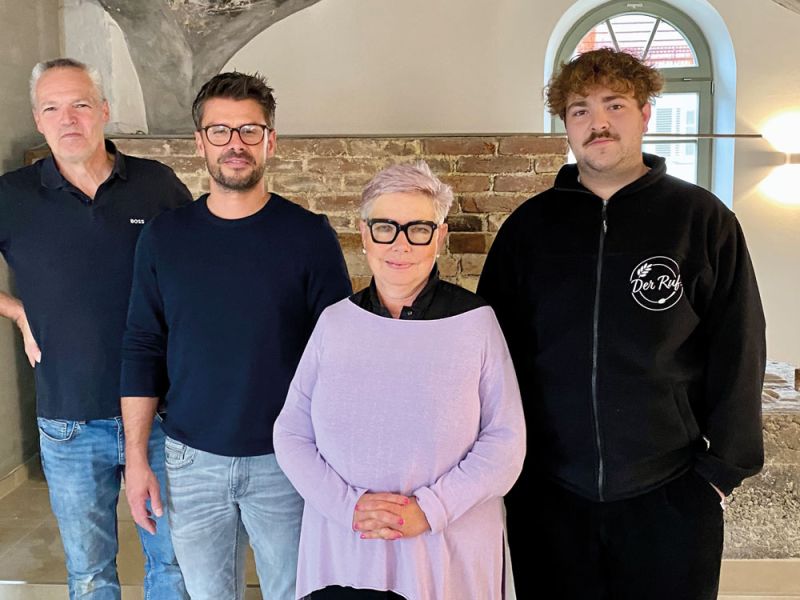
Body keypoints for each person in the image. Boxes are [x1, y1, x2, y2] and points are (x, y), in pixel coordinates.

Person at [478, 48, 766, 600]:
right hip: (549, 493)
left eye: (614, 105)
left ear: (645, 114)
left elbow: (740, 347)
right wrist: (505, 469)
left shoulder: (702, 221)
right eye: (580, 110)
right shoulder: (528, 230)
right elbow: (489, 358)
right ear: (566, 125)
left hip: (672, 492)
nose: (598, 122)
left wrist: (720, 473)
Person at [120, 71, 352, 600]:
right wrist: (137, 459)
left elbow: (339, 355)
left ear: (271, 140)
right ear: (200, 142)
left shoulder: (308, 236)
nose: (236, 144)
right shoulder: (164, 237)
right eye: (220, 131)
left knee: (296, 593)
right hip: (190, 460)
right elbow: (141, 346)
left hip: (287, 461)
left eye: (250, 130)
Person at [273, 161, 526, 600]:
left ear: (440, 237)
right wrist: (349, 506)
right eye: (385, 227)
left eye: (418, 229)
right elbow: (291, 432)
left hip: (447, 543)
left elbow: (505, 443)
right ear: (364, 233)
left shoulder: (476, 323)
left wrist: (430, 509)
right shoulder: (334, 323)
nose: (401, 244)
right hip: (350, 539)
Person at [0, 58, 190, 599]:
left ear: (104, 110)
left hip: (161, 413)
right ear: (38, 119)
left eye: (80, 104)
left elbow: (197, 267)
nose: (68, 119)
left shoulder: (155, 184)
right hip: (69, 419)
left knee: (173, 562)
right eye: (52, 108)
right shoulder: (11, 195)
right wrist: (18, 312)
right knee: (89, 572)